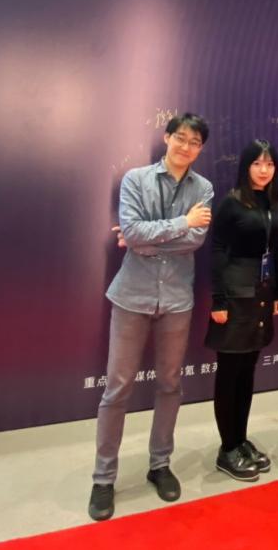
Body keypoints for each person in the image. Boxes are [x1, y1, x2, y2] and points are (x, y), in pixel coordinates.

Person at [88, 113, 214, 521]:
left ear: (200, 149)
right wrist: (181, 224)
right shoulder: (136, 179)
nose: (186, 147)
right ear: (166, 137)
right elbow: (132, 231)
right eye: (181, 138)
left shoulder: (203, 188)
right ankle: (103, 478)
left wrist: (146, 239)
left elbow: (195, 240)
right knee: (117, 388)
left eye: (194, 142)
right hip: (132, 296)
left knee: (170, 384)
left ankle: (160, 464)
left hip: (176, 299)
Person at [204, 140, 278, 481]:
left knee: (248, 370)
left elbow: (276, 250)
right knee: (230, 372)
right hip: (235, 294)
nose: (264, 170)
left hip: (261, 294)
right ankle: (227, 449)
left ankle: (240, 439)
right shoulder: (232, 202)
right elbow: (217, 250)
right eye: (257, 163)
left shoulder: (273, 202)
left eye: (269, 164)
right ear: (246, 166)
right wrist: (219, 299)